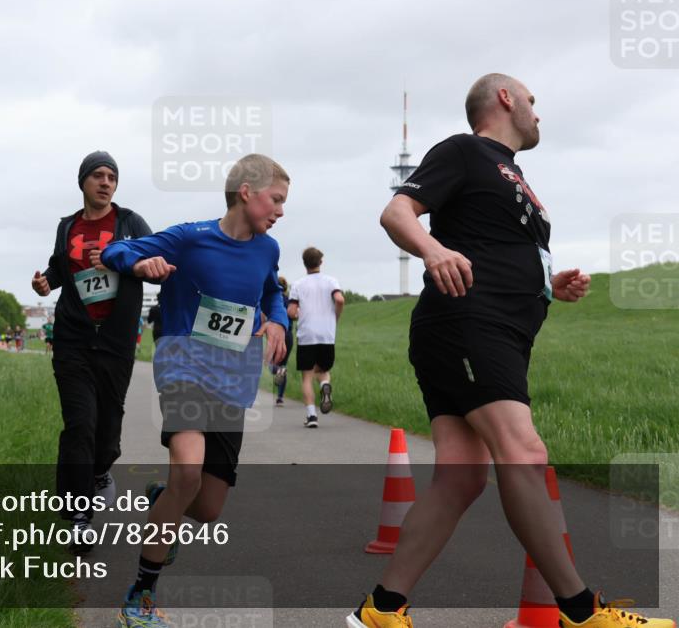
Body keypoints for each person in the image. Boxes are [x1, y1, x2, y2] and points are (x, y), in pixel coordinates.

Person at [348, 74, 672, 628]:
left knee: (462, 476)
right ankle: (579, 611)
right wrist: (432, 250)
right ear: (505, 99)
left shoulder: (511, 175)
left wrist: (550, 286)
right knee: (524, 451)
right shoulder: (465, 150)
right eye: (533, 101)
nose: (538, 113)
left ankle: (382, 609)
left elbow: (501, 250)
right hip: (468, 322)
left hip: (494, 330)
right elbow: (397, 213)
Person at [100, 153, 290, 628]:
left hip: (235, 377)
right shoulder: (190, 237)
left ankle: (166, 497)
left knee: (205, 508)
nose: (281, 211)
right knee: (188, 472)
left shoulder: (268, 249)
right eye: (277, 199)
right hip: (183, 363)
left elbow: (271, 293)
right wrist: (143, 264)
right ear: (246, 191)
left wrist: (279, 323)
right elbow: (115, 252)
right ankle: (140, 595)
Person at [31, 151, 153, 553]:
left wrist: (123, 259)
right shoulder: (67, 226)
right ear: (83, 182)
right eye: (98, 175)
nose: (105, 182)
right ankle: (79, 517)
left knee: (107, 433)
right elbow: (59, 269)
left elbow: (154, 258)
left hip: (117, 340)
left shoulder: (130, 223)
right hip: (73, 338)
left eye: (112, 176)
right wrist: (45, 282)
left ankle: (101, 471)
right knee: (80, 424)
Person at [288, 246, 345, 427]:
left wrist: (298, 315)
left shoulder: (298, 284)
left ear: (304, 263)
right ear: (321, 261)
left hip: (306, 334)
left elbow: (291, 311)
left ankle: (312, 416)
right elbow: (340, 299)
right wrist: (335, 316)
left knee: (307, 376)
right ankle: (324, 386)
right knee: (323, 370)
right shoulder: (331, 281)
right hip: (327, 334)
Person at [267, 276, 294, 406]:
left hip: (276, 335)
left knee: (271, 363)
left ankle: (277, 370)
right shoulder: (289, 301)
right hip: (288, 335)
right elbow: (295, 314)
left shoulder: (272, 300)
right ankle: (280, 398)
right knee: (283, 364)